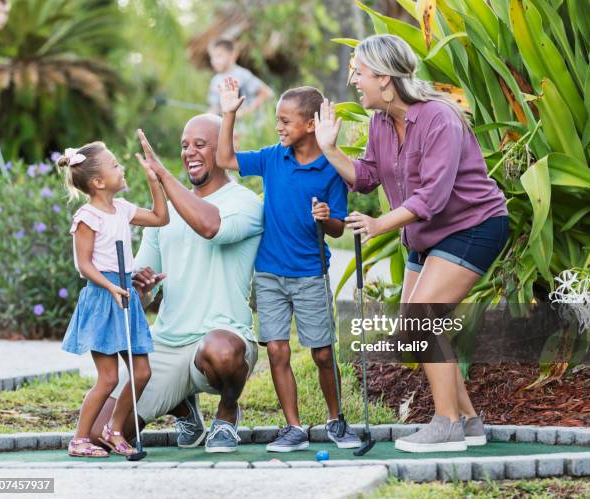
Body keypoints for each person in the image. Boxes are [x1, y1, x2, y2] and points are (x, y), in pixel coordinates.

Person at [314, 34, 509, 453]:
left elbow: (433, 198)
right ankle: (470, 423)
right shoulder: (381, 123)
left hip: (473, 225)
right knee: (415, 330)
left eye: (360, 73)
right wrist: (329, 149)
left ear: (385, 79)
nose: (354, 81)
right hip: (427, 237)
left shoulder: (440, 117)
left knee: (421, 320)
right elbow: (366, 175)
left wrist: (381, 223)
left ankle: (447, 425)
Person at [90, 115, 264, 454]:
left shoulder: (245, 203)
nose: (190, 152)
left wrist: (163, 176)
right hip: (167, 342)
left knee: (222, 351)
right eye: (185, 145)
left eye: (200, 145)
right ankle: (185, 409)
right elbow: (142, 285)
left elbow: (209, 227)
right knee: (102, 433)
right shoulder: (164, 214)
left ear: (224, 149)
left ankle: (227, 417)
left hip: (222, 337)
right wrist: (140, 288)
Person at [216, 77, 361, 452]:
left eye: (286, 120)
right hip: (269, 274)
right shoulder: (272, 157)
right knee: (277, 351)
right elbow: (226, 160)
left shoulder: (331, 169)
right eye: (277, 120)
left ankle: (335, 420)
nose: (278, 127)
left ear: (311, 124)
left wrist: (326, 217)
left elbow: (337, 227)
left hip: (310, 273)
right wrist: (228, 114)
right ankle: (294, 427)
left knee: (323, 352)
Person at [58, 141, 169, 458]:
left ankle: (114, 429)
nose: (121, 168)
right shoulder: (87, 216)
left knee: (142, 372)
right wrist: (110, 286)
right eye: (115, 164)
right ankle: (80, 439)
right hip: (103, 297)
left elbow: (161, 218)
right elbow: (84, 264)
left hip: (125, 294)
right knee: (107, 379)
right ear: (97, 182)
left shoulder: (122, 208)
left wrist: (154, 182)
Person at [207, 38, 273, 117]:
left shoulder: (242, 75)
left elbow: (267, 93)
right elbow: (214, 108)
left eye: (219, 56)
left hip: (248, 126)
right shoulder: (215, 81)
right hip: (229, 127)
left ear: (232, 55)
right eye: (212, 57)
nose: (214, 61)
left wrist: (246, 112)